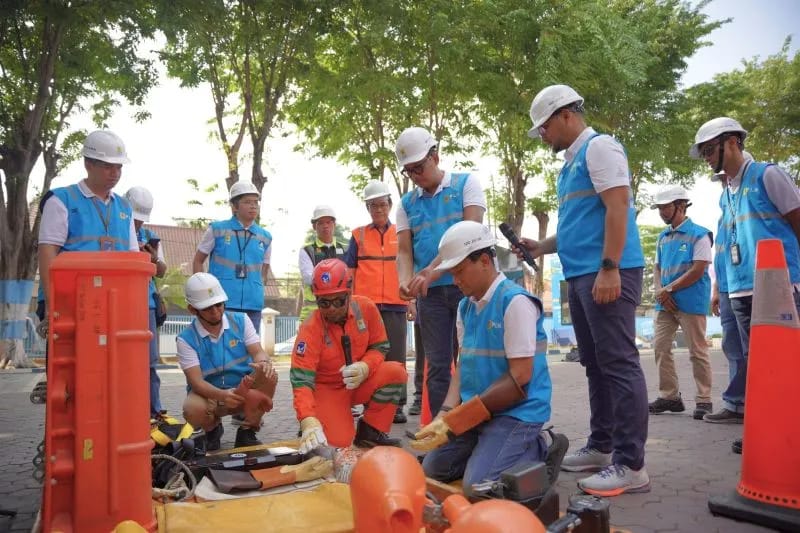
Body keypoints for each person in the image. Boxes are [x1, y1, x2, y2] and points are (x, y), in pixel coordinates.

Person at [520, 85, 649, 496]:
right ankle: (602, 445)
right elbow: (581, 222)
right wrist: (541, 247)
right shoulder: (571, 164)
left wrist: (610, 268)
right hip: (582, 275)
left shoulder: (600, 148)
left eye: (543, 128)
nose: (543, 136)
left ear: (565, 116)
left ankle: (630, 465)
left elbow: (618, 205)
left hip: (607, 272)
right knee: (595, 365)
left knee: (619, 363)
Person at [410, 222, 567, 492]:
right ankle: (489, 448)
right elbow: (461, 368)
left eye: (459, 271)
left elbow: (519, 378)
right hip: (478, 413)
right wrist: (444, 415)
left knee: (478, 486)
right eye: (451, 273)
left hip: (516, 414)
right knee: (433, 470)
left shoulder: (515, 303)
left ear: (484, 260)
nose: (455, 281)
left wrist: (458, 420)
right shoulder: (465, 307)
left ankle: (541, 447)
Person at [690, 118, 800, 427]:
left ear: (733, 142)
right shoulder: (727, 193)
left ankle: (783, 427)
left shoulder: (768, 176)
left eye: (710, 149)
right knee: (757, 362)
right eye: (704, 152)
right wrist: (720, 288)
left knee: (782, 358)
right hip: (739, 288)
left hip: (776, 285)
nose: (707, 157)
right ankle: (768, 428)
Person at [395, 126, 486, 419]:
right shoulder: (407, 204)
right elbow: (405, 251)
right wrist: (405, 283)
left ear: (435, 155)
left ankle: (476, 424)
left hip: (468, 289)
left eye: (419, 167)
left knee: (472, 359)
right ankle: (440, 432)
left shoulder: (466, 185)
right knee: (436, 364)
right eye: (408, 171)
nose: (415, 175)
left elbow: (472, 234)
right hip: (430, 295)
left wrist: (432, 270)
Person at [290, 259, 408, 452]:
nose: (332, 309)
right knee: (339, 445)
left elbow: (380, 346)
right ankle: (319, 420)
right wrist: (307, 419)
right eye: (324, 303)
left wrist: (365, 367)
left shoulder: (367, 309)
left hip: (360, 382)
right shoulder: (310, 329)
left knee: (396, 372)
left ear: (349, 292)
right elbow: (301, 381)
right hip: (327, 390)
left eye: (339, 301)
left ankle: (371, 432)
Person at [38, 130, 138, 326]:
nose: (115, 174)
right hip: (71, 300)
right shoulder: (61, 200)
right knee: (71, 357)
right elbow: (47, 252)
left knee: (112, 357)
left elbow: (133, 257)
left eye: (119, 167)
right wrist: (52, 302)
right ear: (88, 164)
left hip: (112, 301)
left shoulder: (125, 207)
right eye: (108, 167)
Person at [177, 272, 277, 450]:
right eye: (208, 308)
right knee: (192, 408)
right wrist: (222, 395)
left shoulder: (241, 320)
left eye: (219, 305)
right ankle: (212, 430)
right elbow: (196, 382)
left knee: (269, 375)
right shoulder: (185, 339)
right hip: (209, 397)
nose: (216, 312)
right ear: (193, 310)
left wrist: (263, 363)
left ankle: (247, 432)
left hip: (242, 390)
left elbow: (258, 351)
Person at [343, 181, 409, 424]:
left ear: (390, 205)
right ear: (367, 208)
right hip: (365, 308)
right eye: (373, 206)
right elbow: (349, 271)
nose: (378, 210)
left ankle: (397, 404)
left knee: (396, 356)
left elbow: (408, 267)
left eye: (382, 204)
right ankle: (370, 401)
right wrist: (348, 304)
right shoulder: (358, 235)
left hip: (395, 303)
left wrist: (410, 301)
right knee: (369, 356)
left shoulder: (401, 233)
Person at [647, 185, 713, 420]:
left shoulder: (700, 234)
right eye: (660, 208)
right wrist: (659, 291)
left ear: (681, 206)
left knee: (697, 350)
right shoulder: (662, 237)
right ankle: (670, 397)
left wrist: (669, 289)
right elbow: (657, 268)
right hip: (665, 303)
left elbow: (698, 269)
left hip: (690, 301)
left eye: (666, 207)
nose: (662, 212)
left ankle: (704, 400)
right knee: (661, 347)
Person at [193, 181, 272, 332]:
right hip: (221, 303)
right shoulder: (217, 230)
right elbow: (198, 260)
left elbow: (264, 272)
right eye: (247, 202)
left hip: (253, 305)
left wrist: (258, 291)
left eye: (256, 202)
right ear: (234, 206)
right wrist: (202, 294)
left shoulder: (266, 237)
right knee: (221, 348)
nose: (253, 206)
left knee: (250, 350)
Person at [709, 166, 748, 454]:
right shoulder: (725, 214)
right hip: (727, 287)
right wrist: (716, 290)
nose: (723, 182)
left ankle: (743, 403)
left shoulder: (748, 201)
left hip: (749, 284)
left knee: (753, 352)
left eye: (724, 178)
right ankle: (736, 405)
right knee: (733, 348)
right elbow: (719, 256)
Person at [125, 186, 168, 420]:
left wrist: (150, 258)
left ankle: (154, 410)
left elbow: (161, 271)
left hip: (146, 304)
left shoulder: (150, 236)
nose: (138, 224)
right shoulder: (114, 231)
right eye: (135, 220)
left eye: (142, 220)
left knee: (149, 362)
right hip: (120, 303)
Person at [298, 205, 348, 323]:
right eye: (320, 223)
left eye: (328, 222)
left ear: (334, 224)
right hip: (313, 311)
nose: (325, 226)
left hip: (340, 310)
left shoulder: (346, 249)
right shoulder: (307, 250)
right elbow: (309, 278)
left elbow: (351, 276)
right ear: (314, 226)